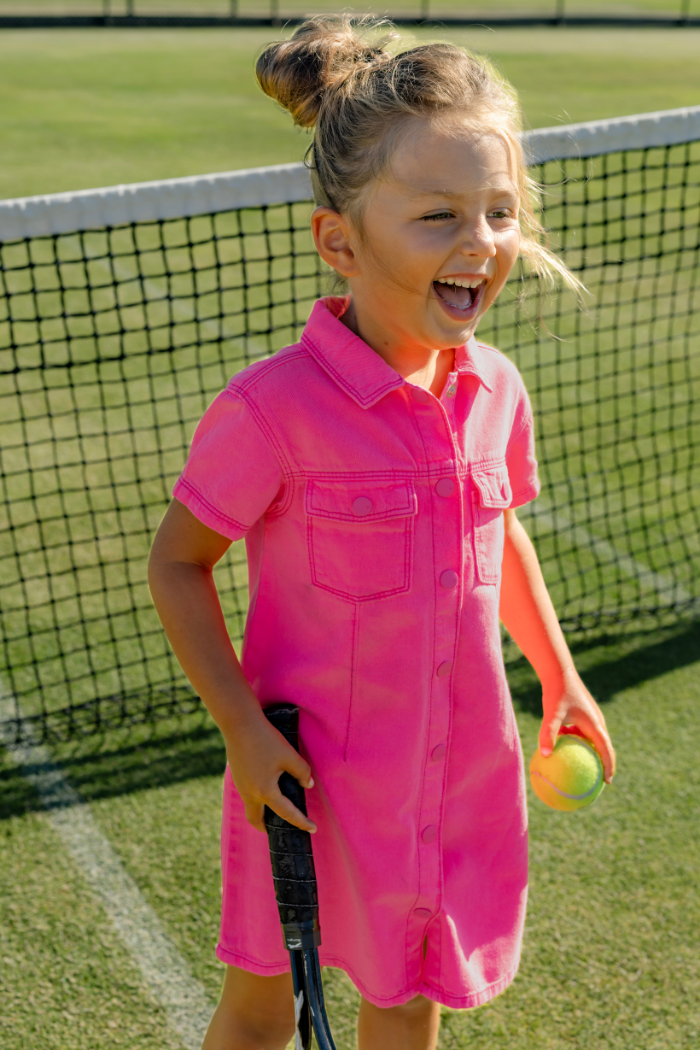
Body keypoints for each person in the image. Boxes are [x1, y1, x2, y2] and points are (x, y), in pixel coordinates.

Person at [148, 16, 616, 1050]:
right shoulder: (272, 410)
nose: (480, 243)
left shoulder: (497, 389)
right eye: (438, 215)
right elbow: (178, 565)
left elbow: (496, 541)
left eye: (499, 211)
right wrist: (238, 727)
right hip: (311, 787)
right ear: (340, 242)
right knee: (264, 1007)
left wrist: (560, 674)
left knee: (407, 1006)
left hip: (454, 788)